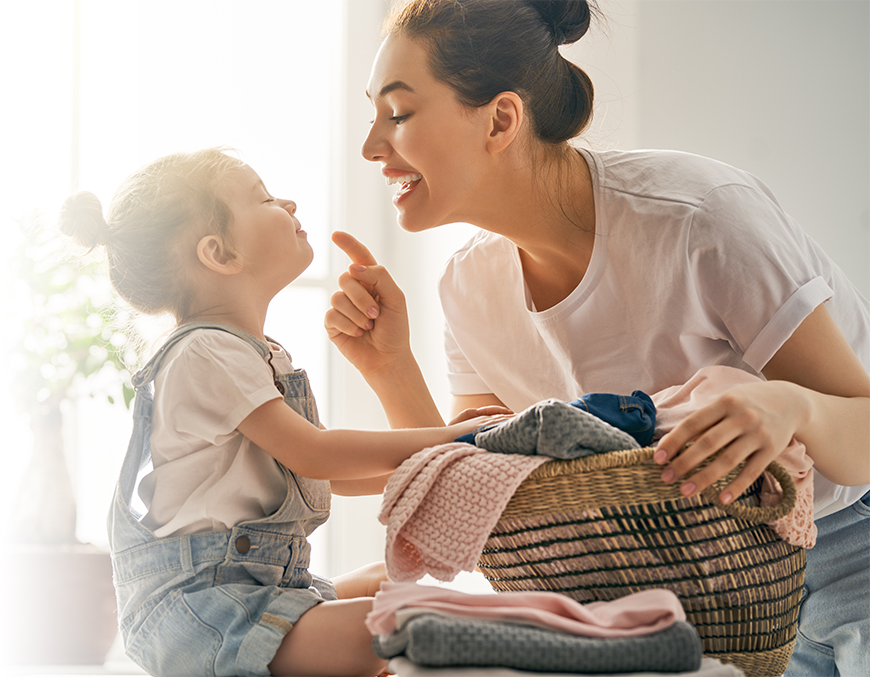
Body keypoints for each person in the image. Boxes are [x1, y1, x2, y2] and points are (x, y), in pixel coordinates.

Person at [324, 1, 870, 675]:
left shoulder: (700, 218)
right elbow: (484, 487)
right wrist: (389, 365)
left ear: (500, 119)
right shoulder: (468, 286)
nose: (371, 147)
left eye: (398, 114)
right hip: (679, 586)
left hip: (849, 540)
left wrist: (795, 406)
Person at [59, 148, 505, 677]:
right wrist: (449, 439)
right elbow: (315, 453)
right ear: (220, 254)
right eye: (265, 198)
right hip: (201, 610)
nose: (288, 202)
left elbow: (325, 476)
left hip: (258, 586)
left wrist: (436, 465)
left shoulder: (256, 354)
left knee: (384, 587)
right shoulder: (204, 351)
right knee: (406, 616)